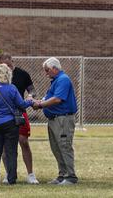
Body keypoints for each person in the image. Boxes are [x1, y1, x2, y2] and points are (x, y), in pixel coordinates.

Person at [0, 53, 39, 184]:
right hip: (5, 118)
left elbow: (32, 91)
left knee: (23, 141)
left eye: (8, 65)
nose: (6, 69)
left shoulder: (22, 74)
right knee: (5, 147)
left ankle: (30, 174)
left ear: (12, 62)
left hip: (19, 114)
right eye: (3, 66)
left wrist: (30, 97)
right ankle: (9, 174)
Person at [33, 57, 78, 185]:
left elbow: (58, 99)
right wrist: (40, 101)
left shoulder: (63, 80)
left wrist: (40, 105)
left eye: (47, 70)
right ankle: (62, 175)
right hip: (54, 119)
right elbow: (50, 97)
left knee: (64, 146)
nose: (46, 73)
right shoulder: (56, 80)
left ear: (54, 68)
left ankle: (71, 176)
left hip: (63, 119)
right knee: (56, 147)